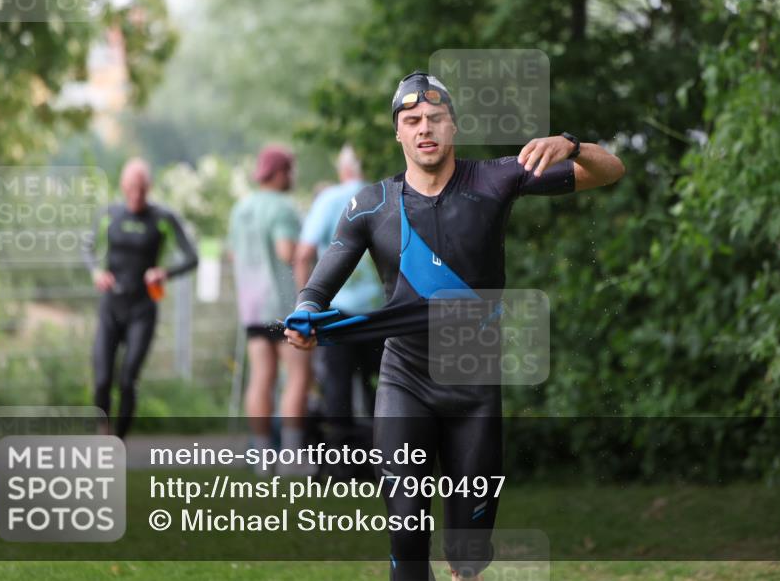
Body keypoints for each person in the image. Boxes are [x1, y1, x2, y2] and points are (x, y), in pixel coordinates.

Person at [285, 71, 624, 580]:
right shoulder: (370, 205)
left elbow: (611, 170)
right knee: (406, 533)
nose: (425, 128)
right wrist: (304, 318)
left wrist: (570, 144)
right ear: (397, 132)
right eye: (412, 120)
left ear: (453, 128)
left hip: (474, 389)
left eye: (435, 119)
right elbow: (316, 289)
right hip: (405, 383)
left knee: (467, 556)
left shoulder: (496, 178)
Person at [84, 158, 198, 439]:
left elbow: (192, 257)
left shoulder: (162, 218)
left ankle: (117, 442)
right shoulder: (109, 214)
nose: (137, 194)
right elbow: (87, 248)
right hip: (112, 306)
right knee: (101, 380)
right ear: (123, 187)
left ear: (149, 188)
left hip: (142, 309)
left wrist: (165, 273)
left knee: (127, 380)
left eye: (142, 189)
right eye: (132, 188)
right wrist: (97, 272)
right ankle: (103, 431)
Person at [294, 146, 385, 471]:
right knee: (380, 384)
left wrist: (306, 304)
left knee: (337, 384)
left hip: (336, 311)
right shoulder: (382, 195)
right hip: (378, 310)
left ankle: (341, 461)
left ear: (342, 169)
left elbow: (304, 253)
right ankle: (387, 458)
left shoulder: (329, 199)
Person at [228, 144, 311, 474]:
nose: (292, 176)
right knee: (299, 376)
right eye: (289, 169)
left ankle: (263, 458)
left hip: (251, 307)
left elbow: (234, 255)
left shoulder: (241, 208)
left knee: (261, 377)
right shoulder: (283, 207)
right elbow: (285, 251)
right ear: (278, 173)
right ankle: (291, 458)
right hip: (283, 306)